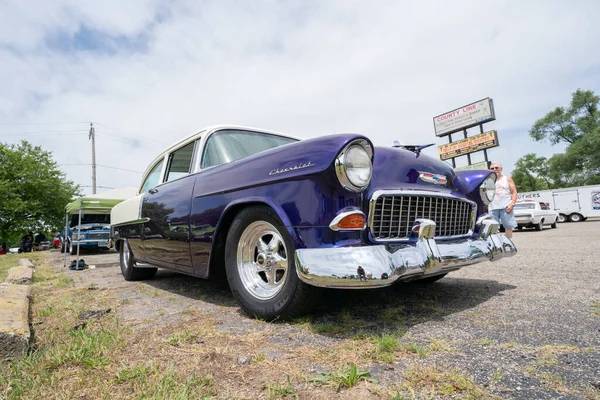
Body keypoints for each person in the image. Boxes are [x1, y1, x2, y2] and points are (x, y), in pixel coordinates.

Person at [489, 162, 518, 238]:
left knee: (508, 226)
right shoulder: (488, 180)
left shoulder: (507, 179)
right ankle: (495, 246)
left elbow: (514, 192)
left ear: (501, 169)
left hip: (506, 206)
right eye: (492, 168)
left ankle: (508, 244)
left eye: (496, 168)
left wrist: (512, 204)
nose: (494, 169)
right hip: (492, 208)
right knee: (492, 228)